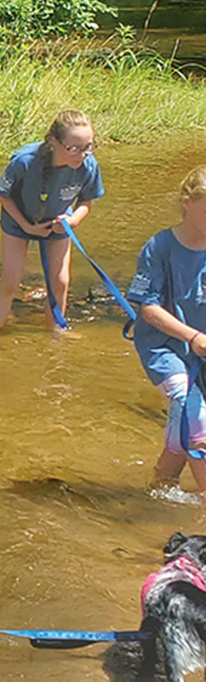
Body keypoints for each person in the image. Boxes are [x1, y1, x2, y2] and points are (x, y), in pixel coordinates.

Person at [0, 110, 104, 333]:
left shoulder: (88, 166)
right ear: (53, 142)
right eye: (74, 148)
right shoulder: (26, 162)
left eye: (89, 146)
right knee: (11, 280)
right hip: (18, 221)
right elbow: (2, 194)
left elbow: (87, 201)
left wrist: (73, 220)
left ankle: (55, 333)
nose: (82, 155)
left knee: (60, 282)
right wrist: (26, 226)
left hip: (58, 222)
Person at [128, 166, 206, 495]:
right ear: (187, 202)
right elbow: (147, 308)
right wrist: (192, 336)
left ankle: (162, 487)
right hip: (166, 347)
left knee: (185, 419)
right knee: (196, 416)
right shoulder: (159, 246)